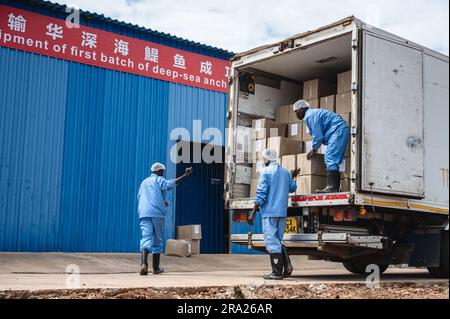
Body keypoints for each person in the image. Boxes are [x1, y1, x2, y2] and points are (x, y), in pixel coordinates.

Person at [248, 149, 301, 280]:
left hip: (270, 212)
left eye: (263, 159)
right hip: (282, 212)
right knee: (278, 239)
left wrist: (253, 213)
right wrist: (291, 176)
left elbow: (261, 194)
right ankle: (287, 265)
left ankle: (276, 272)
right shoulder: (284, 172)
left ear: (267, 159)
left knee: (272, 241)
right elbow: (293, 187)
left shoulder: (265, 172)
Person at [137, 163, 193, 275]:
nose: (163, 173)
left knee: (146, 238)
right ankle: (156, 268)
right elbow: (169, 184)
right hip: (157, 213)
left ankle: (144, 264)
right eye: (162, 171)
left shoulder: (144, 182)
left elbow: (140, 197)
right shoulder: (159, 179)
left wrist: (162, 201)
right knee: (157, 239)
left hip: (144, 213)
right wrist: (185, 176)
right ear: (159, 171)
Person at [293, 100, 350, 193]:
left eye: (296, 111)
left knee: (330, 158)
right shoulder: (312, 114)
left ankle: (332, 187)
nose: (295, 115)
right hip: (338, 131)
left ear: (302, 109)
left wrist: (314, 149)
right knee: (333, 160)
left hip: (337, 131)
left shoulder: (310, 116)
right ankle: (335, 188)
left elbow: (318, 135)